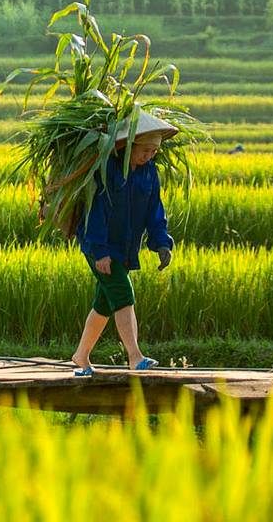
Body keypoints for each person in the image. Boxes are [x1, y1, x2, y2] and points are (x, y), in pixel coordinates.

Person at [69, 110, 177, 376]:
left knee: (105, 304)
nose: (150, 156)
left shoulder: (149, 173)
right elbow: (94, 213)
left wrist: (162, 242)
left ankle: (81, 356)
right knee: (123, 293)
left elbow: (155, 210)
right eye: (146, 150)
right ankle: (135, 356)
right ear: (129, 146)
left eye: (154, 151)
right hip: (100, 247)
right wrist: (100, 252)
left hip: (126, 247)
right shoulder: (107, 170)